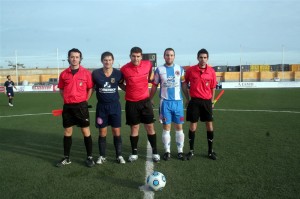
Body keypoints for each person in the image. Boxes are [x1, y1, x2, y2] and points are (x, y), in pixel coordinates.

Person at [56, 48, 95, 167]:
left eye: (77, 57)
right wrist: (67, 99)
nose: (74, 59)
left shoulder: (86, 73)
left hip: (81, 106)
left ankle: (89, 157)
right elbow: (61, 89)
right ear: (68, 58)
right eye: (72, 57)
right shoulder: (63, 74)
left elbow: (90, 88)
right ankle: (66, 158)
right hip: (68, 106)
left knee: (85, 131)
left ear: (80, 59)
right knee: (67, 131)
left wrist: (84, 101)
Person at [120, 46, 160, 163]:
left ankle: (155, 152)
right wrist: (129, 90)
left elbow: (150, 77)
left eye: (138, 56)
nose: (136, 59)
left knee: (150, 127)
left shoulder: (148, 64)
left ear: (141, 57)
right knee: (134, 128)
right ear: (130, 56)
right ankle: (134, 153)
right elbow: (121, 83)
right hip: (131, 103)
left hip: (145, 102)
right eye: (133, 56)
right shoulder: (124, 69)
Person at [149, 48, 186, 161]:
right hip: (165, 103)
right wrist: (150, 98)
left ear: (174, 56)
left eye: (171, 55)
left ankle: (180, 152)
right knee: (167, 128)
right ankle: (167, 151)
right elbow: (154, 85)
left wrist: (188, 98)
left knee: (179, 128)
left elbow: (184, 85)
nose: (169, 57)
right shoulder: (159, 70)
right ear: (164, 56)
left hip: (178, 103)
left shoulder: (180, 69)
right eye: (167, 55)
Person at [182, 48, 218, 160]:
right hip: (194, 102)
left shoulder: (211, 71)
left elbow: (213, 87)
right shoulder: (191, 70)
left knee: (209, 126)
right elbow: (184, 84)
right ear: (197, 58)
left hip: (207, 102)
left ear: (207, 59)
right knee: (193, 126)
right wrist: (187, 98)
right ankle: (191, 151)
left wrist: (212, 101)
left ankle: (210, 151)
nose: (203, 59)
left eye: (205, 57)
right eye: (201, 57)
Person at [92, 51, 126, 164]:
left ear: (113, 61)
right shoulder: (96, 74)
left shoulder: (118, 73)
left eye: (110, 60)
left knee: (116, 131)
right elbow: (91, 88)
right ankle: (102, 156)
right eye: (105, 60)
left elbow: (121, 84)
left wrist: (133, 91)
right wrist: (83, 100)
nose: (107, 62)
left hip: (115, 106)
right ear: (102, 61)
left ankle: (119, 156)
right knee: (102, 132)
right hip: (101, 107)